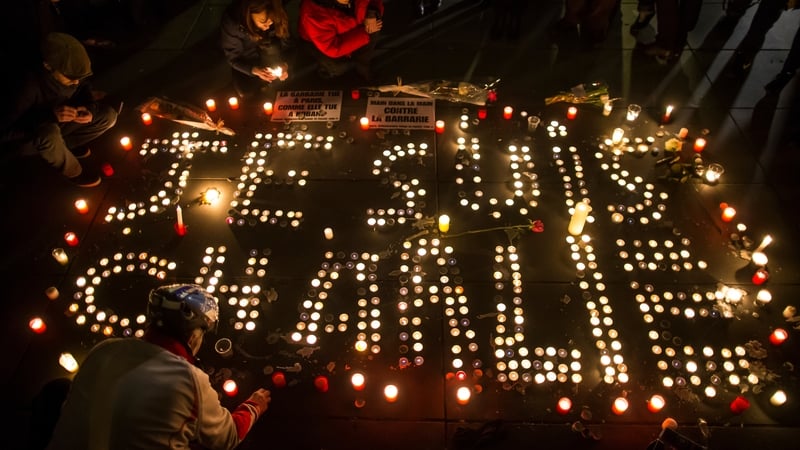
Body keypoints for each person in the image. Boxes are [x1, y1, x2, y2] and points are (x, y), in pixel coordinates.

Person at [44, 284, 272, 450]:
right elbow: (228, 437)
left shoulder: (104, 349)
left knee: (59, 387)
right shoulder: (189, 379)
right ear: (194, 333)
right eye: (203, 332)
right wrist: (254, 405)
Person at [0, 32, 117, 187]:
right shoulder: (26, 87)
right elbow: (5, 132)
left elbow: (84, 87)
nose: (75, 82)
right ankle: (74, 171)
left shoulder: (72, 72)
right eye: (70, 78)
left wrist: (89, 109)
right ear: (48, 66)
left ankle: (66, 148)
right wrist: (49, 116)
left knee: (108, 115)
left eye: (79, 77)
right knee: (49, 134)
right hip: (32, 136)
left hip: (59, 123)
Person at [298, 0, 384, 81]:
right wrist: (364, 32)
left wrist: (371, 12)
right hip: (320, 42)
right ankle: (325, 70)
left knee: (374, 21)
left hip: (352, 28)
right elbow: (332, 47)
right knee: (339, 67)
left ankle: (361, 65)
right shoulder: (313, 14)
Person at [221, 0, 291, 99]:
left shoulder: (276, 11)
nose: (267, 27)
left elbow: (289, 44)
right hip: (247, 60)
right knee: (247, 93)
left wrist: (285, 64)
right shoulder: (232, 23)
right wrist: (253, 70)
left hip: (272, 54)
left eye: (271, 22)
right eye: (263, 22)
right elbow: (233, 58)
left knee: (287, 86)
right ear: (249, 14)